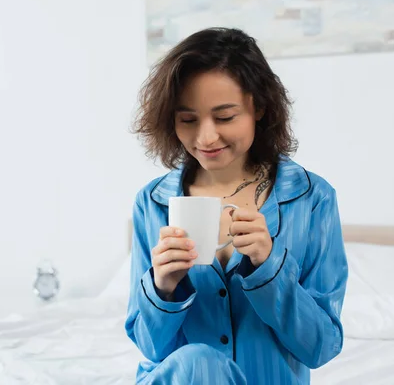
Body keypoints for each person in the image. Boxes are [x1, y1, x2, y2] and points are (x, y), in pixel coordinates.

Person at [125, 27, 349, 385]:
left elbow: (321, 347)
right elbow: (151, 347)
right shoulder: (152, 204)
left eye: (225, 117)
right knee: (199, 362)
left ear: (259, 106)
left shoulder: (311, 199)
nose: (206, 137)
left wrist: (269, 268)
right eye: (188, 120)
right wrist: (163, 287)